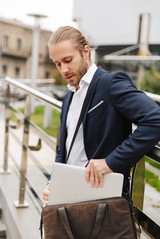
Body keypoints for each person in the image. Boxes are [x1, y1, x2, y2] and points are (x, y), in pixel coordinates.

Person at [43, 26, 160, 206]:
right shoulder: (69, 97)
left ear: (86, 52)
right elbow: (64, 150)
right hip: (67, 194)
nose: (64, 70)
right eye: (58, 64)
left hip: (100, 196)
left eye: (68, 60)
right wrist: (53, 182)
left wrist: (110, 162)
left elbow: (155, 119)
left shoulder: (110, 83)